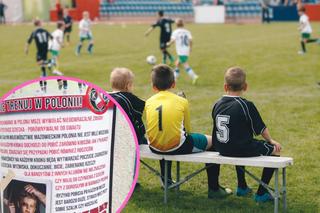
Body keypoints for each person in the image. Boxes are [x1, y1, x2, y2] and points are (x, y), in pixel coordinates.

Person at [209, 67, 282, 202]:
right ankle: (262, 193)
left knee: (239, 138)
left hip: (221, 148)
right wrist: (271, 140)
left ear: (225, 87)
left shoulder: (216, 104)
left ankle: (242, 186)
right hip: (240, 149)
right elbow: (261, 129)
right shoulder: (246, 105)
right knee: (275, 151)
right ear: (245, 86)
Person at [145, 64, 213, 187]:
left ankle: (166, 180)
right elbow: (187, 130)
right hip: (178, 146)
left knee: (163, 136)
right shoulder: (182, 101)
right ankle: (214, 188)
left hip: (154, 147)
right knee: (212, 141)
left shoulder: (149, 102)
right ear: (173, 84)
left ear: (153, 87)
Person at [109, 67, 147, 145]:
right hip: (129, 139)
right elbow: (140, 110)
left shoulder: (106, 97)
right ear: (128, 85)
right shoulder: (129, 98)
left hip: (112, 137)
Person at [167, 19, 199, 85]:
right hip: (186, 50)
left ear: (176, 25)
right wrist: (190, 48)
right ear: (183, 24)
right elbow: (190, 40)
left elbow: (172, 40)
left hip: (181, 51)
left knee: (185, 65)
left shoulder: (175, 32)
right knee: (177, 63)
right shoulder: (187, 31)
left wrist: (168, 44)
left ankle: (194, 76)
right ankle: (175, 78)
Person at [25, 19, 52, 92]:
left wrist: (26, 48)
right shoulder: (45, 30)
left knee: (39, 62)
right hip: (45, 48)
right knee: (42, 62)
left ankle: (50, 63)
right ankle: (44, 73)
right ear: (39, 24)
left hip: (40, 50)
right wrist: (51, 46)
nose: (42, 23)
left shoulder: (34, 32)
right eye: (41, 22)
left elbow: (29, 41)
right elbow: (51, 37)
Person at [48, 21, 68, 91]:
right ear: (61, 26)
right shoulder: (60, 32)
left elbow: (51, 36)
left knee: (55, 57)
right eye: (64, 25)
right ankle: (55, 70)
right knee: (56, 58)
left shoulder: (56, 31)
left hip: (51, 46)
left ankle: (50, 64)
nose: (65, 26)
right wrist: (61, 44)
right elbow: (56, 38)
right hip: (55, 46)